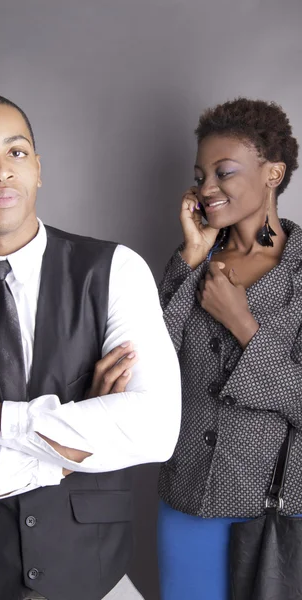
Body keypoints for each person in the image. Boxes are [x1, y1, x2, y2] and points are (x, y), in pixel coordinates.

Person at [0, 92, 181, 600]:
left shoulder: (114, 270)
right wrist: (71, 447)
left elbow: (156, 429)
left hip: (98, 584)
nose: (0, 171)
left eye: (16, 152)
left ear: (38, 168)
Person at [156, 98, 302, 599]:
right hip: (187, 498)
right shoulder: (192, 261)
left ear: (273, 173)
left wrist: (242, 324)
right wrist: (190, 258)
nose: (207, 188)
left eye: (225, 172)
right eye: (201, 175)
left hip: (278, 511)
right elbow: (148, 366)